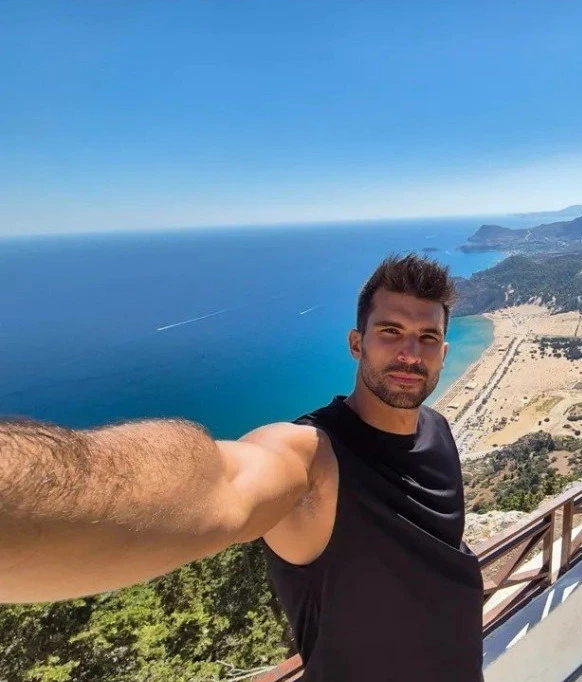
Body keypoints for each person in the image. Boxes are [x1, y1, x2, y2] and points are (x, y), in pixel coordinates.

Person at [0, 254, 484, 681]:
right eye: (390, 332)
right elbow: (223, 482)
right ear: (356, 343)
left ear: (443, 354)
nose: (409, 354)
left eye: (427, 338)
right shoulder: (314, 458)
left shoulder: (438, 429)